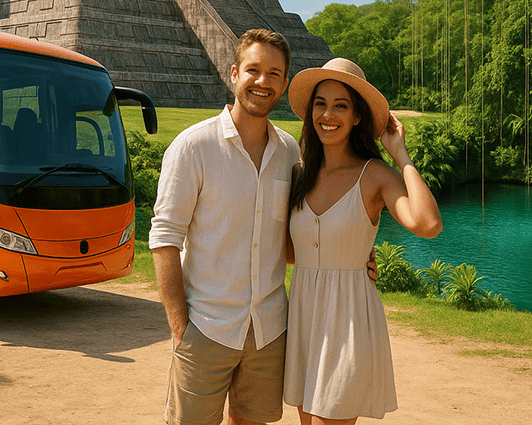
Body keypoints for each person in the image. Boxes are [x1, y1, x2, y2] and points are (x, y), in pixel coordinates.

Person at [148, 29, 298, 425]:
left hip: (268, 330)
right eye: (253, 70)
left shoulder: (290, 153)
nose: (262, 81)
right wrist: (181, 330)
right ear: (233, 74)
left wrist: (355, 256)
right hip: (206, 327)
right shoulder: (193, 146)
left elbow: (297, 238)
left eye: (274, 73)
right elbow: (164, 239)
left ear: (284, 83)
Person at [283, 57, 443, 425]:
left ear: (357, 117)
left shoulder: (374, 176)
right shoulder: (299, 172)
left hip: (349, 320)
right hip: (304, 316)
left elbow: (427, 223)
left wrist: (399, 153)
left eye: (341, 106)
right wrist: (345, 253)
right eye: (321, 104)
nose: (328, 114)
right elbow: (291, 249)